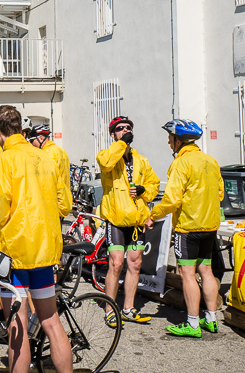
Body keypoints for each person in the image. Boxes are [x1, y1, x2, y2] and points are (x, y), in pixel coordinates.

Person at [0, 105, 77, 373]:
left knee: (17, 328)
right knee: (51, 322)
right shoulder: (45, 157)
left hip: (16, 255)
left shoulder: (2, 159)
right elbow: (65, 204)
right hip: (46, 251)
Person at [148, 119, 223, 338]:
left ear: (178, 140)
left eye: (170, 138)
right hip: (209, 225)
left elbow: (171, 200)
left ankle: (192, 323)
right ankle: (211, 318)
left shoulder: (180, 163)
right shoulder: (211, 161)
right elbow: (220, 194)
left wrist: (153, 215)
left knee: (187, 274)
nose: (168, 142)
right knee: (206, 271)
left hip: (188, 227)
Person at [96, 116, 160, 325]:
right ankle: (110, 309)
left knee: (135, 264)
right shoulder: (108, 155)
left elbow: (154, 183)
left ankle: (128, 309)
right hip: (115, 218)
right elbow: (105, 163)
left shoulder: (141, 160)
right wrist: (122, 143)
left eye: (128, 128)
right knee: (116, 264)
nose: (125, 130)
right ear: (113, 134)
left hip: (135, 219)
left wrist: (144, 190)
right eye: (120, 129)